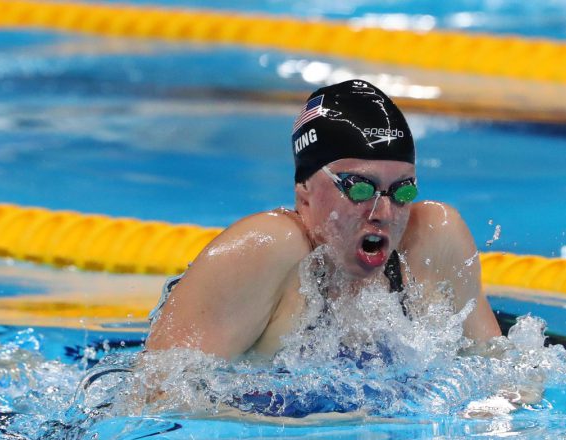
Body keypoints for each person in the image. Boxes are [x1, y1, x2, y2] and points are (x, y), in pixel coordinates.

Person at [146, 79, 501, 360]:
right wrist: (315, 426)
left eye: (402, 191)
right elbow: (154, 402)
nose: (384, 213)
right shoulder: (266, 248)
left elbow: (502, 371)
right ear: (304, 191)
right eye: (360, 189)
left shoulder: (432, 241)